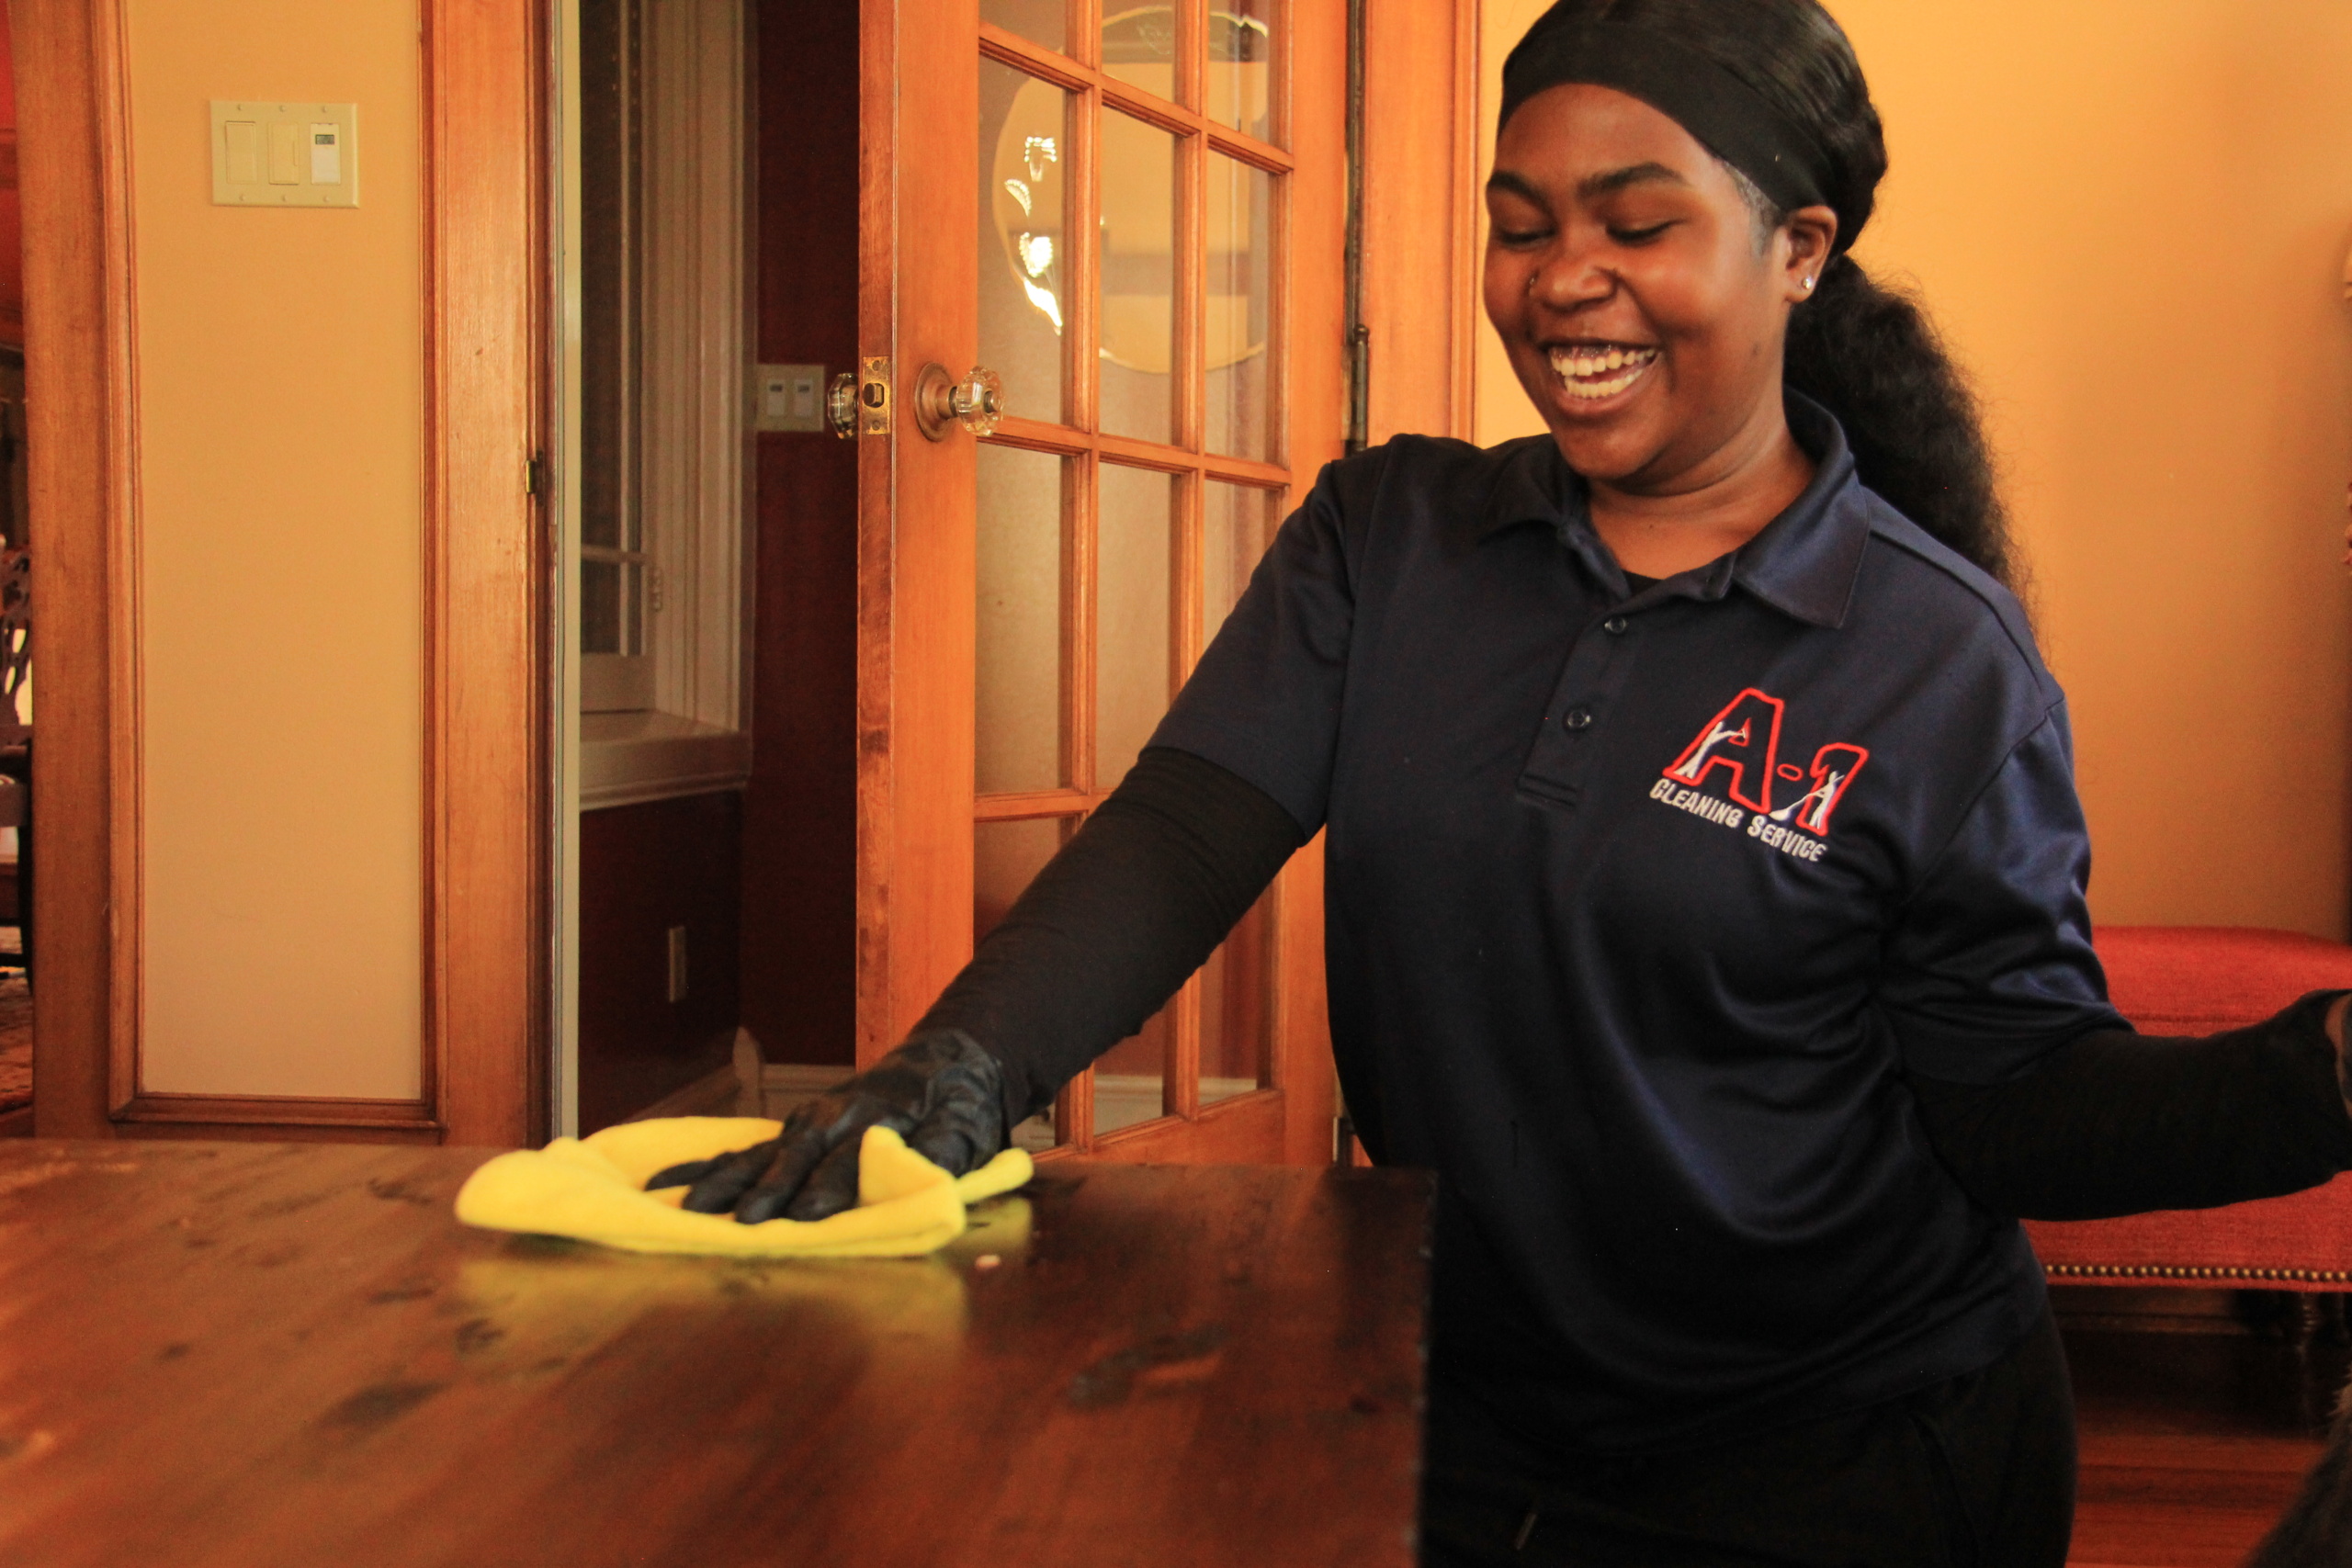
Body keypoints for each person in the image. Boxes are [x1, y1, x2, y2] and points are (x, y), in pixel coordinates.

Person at [651, 1, 2352, 1562]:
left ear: (1799, 250)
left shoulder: (1936, 654)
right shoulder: (1389, 539)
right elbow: (1185, 831)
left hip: (1847, 1458)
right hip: (1460, 1423)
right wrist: (957, 1073)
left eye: (1637, 223)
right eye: (1520, 225)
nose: (1561, 282)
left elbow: (2012, 1102)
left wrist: (2315, 1081)